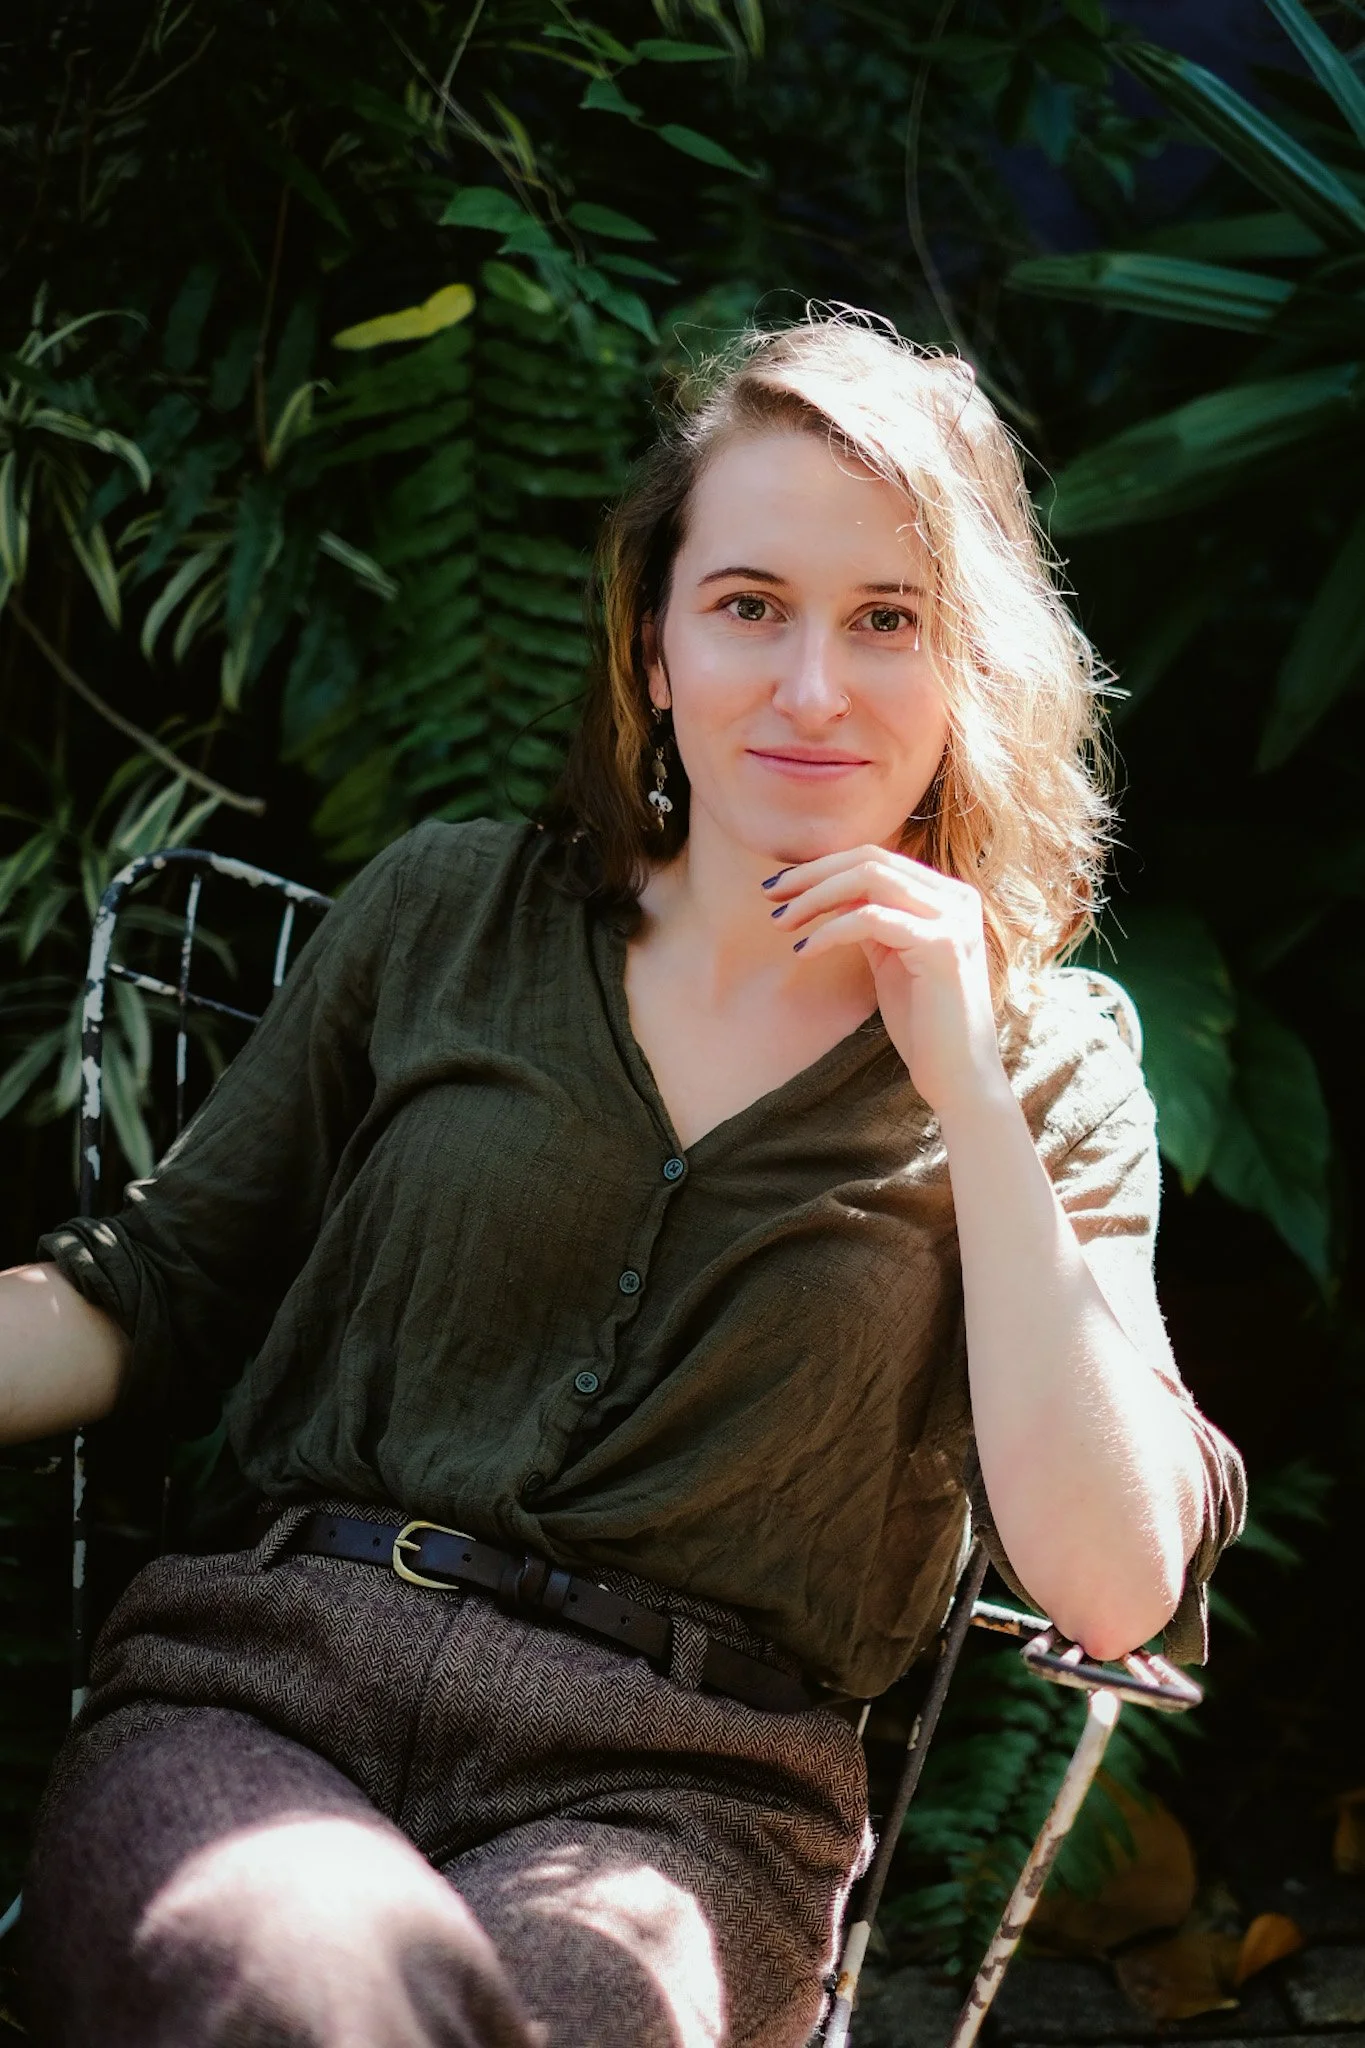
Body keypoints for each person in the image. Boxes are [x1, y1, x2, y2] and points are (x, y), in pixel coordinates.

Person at [0, 311, 1244, 2048]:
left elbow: (1112, 1583)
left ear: (972, 663)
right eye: (749, 606)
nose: (812, 689)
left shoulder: (1047, 1069)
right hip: (262, 1698)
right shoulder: (450, 911)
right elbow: (151, 1286)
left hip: (684, 1804)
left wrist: (968, 1087)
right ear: (655, 646)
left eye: (888, 620)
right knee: (299, 1984)